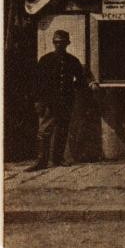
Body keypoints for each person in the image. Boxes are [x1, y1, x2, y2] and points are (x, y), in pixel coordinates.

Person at [26, 30, 95, 172]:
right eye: (57, 42)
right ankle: (41, 161)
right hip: (49, 102)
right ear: (53, 43)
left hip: (66, 101)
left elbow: (80, 78)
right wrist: (38, 101)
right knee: (44, 131)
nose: (59, 45)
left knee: (62, 129)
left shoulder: (72, 61)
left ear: (67, 43)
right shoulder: (45, 60)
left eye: (62, 42)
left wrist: (80, 85)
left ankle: (57, 159)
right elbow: (36, 82)